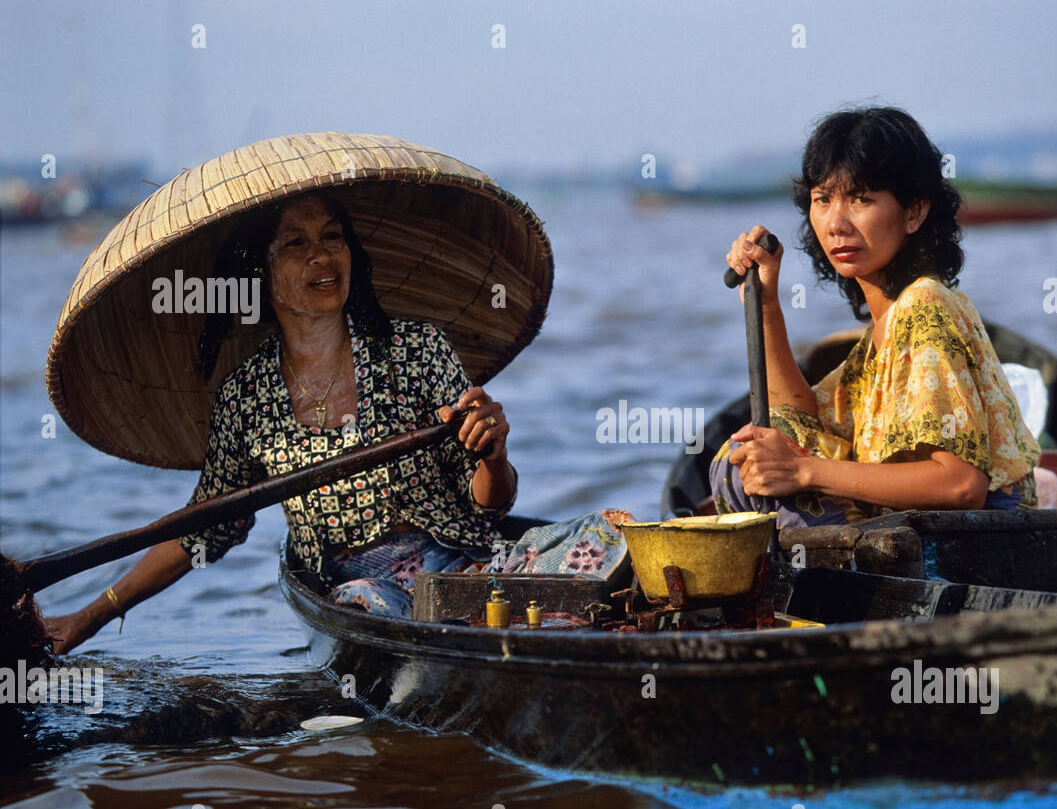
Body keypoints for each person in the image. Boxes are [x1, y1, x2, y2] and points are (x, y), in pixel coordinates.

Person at [43, 193, 625, 653]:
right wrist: (92, 616)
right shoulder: (246, 397)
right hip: (363, 593)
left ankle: (520, 621)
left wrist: (493, 455)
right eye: (296, 243)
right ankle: (515, 624)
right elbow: (203, 530)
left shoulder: (415, 350)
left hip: (467, 562)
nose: (321, 257)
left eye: (332, 238)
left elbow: (490, 505)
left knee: (611, 534)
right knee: (369, 612)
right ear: (261, 273)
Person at [711, 106, 1040, 526]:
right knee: (749, 455)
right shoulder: (884, 329)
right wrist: (766, 303)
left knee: (777, 469)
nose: (836, 224)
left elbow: (961, 486)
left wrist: (801, 471)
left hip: (982, 536)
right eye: (823, 200)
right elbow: (799, 420)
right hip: (916, 528)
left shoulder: (925, 307)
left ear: (915, 212)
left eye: (861, 199)